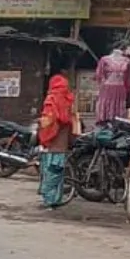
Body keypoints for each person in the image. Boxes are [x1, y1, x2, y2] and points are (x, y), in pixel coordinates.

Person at [38, 74, 77, 208]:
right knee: (58, 172)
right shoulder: (69, 100)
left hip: (50, 142)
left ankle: (48, 197)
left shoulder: (51, 99)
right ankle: (55, 199)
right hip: (62, 142)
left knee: (49, 171)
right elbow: (71, 121)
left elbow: (47, 122)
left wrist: (44, 135)